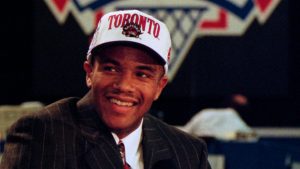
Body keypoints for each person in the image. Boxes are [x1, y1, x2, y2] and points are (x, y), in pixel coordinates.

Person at [0, 10, 211, 169]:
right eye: (111, 68)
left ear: (159, 87)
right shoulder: (42, 134)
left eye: (142, 74)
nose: (124, 86)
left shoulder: (189, 151)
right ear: (89, 72)